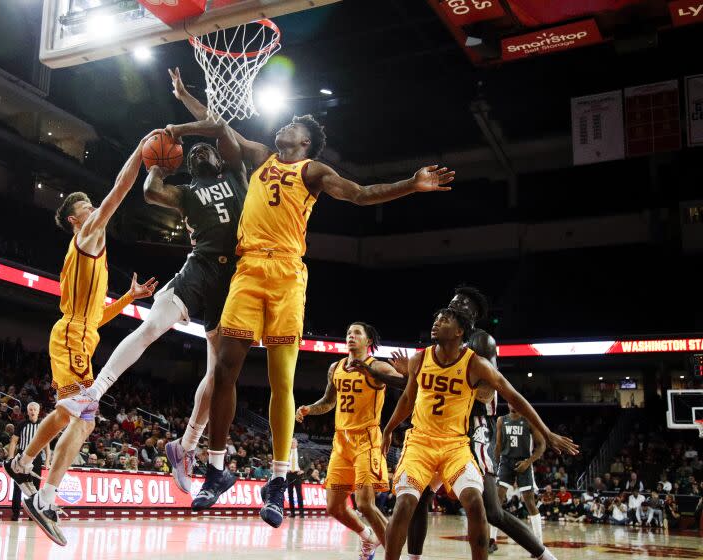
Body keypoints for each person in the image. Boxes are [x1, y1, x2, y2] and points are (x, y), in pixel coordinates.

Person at [169, 87, 455, 529]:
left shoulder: (313, 170)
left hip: (286, 275)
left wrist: (410, 185)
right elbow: (220, 125)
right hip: (248, 269)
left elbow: (361, 194)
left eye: (293, 125)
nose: (283, 126)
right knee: (224, 368)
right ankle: (217, 468)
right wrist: (187, 100)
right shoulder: (261, 155)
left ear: (304, 140)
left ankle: (279, 480)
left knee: (280, 382)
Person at [80, 69, 248, 496]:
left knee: (218, 376)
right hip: (199, 269)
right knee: (152, 327)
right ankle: (95, 392)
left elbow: (219, 127)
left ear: (217, 157)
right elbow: (152, 191)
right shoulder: (186, 192)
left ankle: (186, 445)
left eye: (201, 153)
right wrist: (156, 161)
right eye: (189, 159)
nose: (196, 157)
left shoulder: (236, 177)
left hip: (233, 283)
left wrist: (185, 103)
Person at [2, 134, 159, 546]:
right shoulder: (88, 236)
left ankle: (22, 461)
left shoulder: (91, 253)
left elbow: (95, 318)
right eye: (86, 207)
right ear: (76, 219)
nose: (94, 210)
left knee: (64, 413)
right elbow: (119, 190)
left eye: (91, 205)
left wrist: (128, 297)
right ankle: (47, 499)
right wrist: (139, 152)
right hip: (72, 336)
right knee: (84, 420)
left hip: (79, 335)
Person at [381, 305, 578, 560]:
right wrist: (388, 429)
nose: (437, 321)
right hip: (421, 442)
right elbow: (407, 399)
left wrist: (546, 432)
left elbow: (513, 396)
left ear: (460, 329)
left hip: (458, 443)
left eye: (445, 318)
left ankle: (539, 553)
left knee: (478, 504)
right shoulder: (420, 358)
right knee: (407, 503)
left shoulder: (477, 360)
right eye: (437, 317)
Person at [295, 322, 403, 558]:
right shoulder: (336, 367)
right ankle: (368, 537)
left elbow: (406, 385)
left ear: (368, 341)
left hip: (367, 440)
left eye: (357, 333)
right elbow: (328, 401)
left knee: (365, 504)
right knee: (333, 507)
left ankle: (393, 555)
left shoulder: (378, 366)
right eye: (348, 333)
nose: (351, 336)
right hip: (341, 442)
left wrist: (380, 373)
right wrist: (309, 409)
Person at [496, 402, 545, 541]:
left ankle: (538, 541)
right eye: (510, 401)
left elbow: (542, 445)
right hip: (505, 462)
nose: (513, 404)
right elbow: (498, 445)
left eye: (515, 400)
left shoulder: (528, 420)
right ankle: (492, 540)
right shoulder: (501, 420)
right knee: (496, 500)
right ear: (507, 404)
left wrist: (528, 462)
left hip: (523, 461)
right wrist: (494, 465)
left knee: (530, 502)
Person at [8, 402, 51, 522]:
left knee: (34, 487)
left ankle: (32, 514)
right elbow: (14, 441)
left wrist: (47, 460)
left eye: (34, 410)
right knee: (18, 485)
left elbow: (46, 444)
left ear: (38, 411)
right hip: (21, 456)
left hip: (36, 458)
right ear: (27, 412)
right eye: (30, 409)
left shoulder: (43, 425)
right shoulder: (22, 424)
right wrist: (11, 458)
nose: (32, 412)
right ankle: (15, 513)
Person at [286, 438, 306, 518]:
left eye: (294, 442)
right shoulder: (286, 452)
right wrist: (286, 469)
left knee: (299, 494)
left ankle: (301, 513)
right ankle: (292, 513)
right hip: (289, 474)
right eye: (291, 442)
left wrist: (303, 470)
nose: (292, 444)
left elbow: (308, 462)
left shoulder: (301, 452)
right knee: (290, 494)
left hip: (297, 474)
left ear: (297, 443)